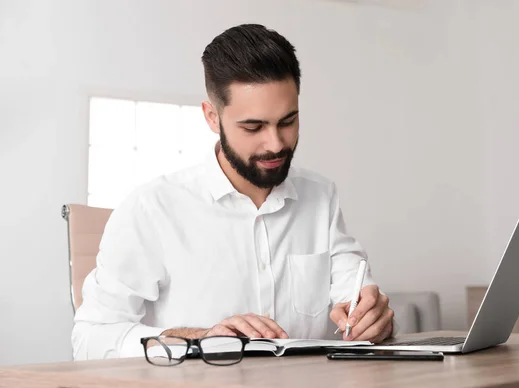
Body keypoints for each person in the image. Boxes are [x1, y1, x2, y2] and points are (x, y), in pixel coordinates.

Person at [72, 23, 396, 360]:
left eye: (287, 121)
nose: (275, 143)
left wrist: (373, 318)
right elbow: (91, 338)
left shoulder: (320, 197)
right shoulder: (152, 208)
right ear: (212, 117)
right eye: (253, 127)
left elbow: (356, 295)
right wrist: (200, 340)